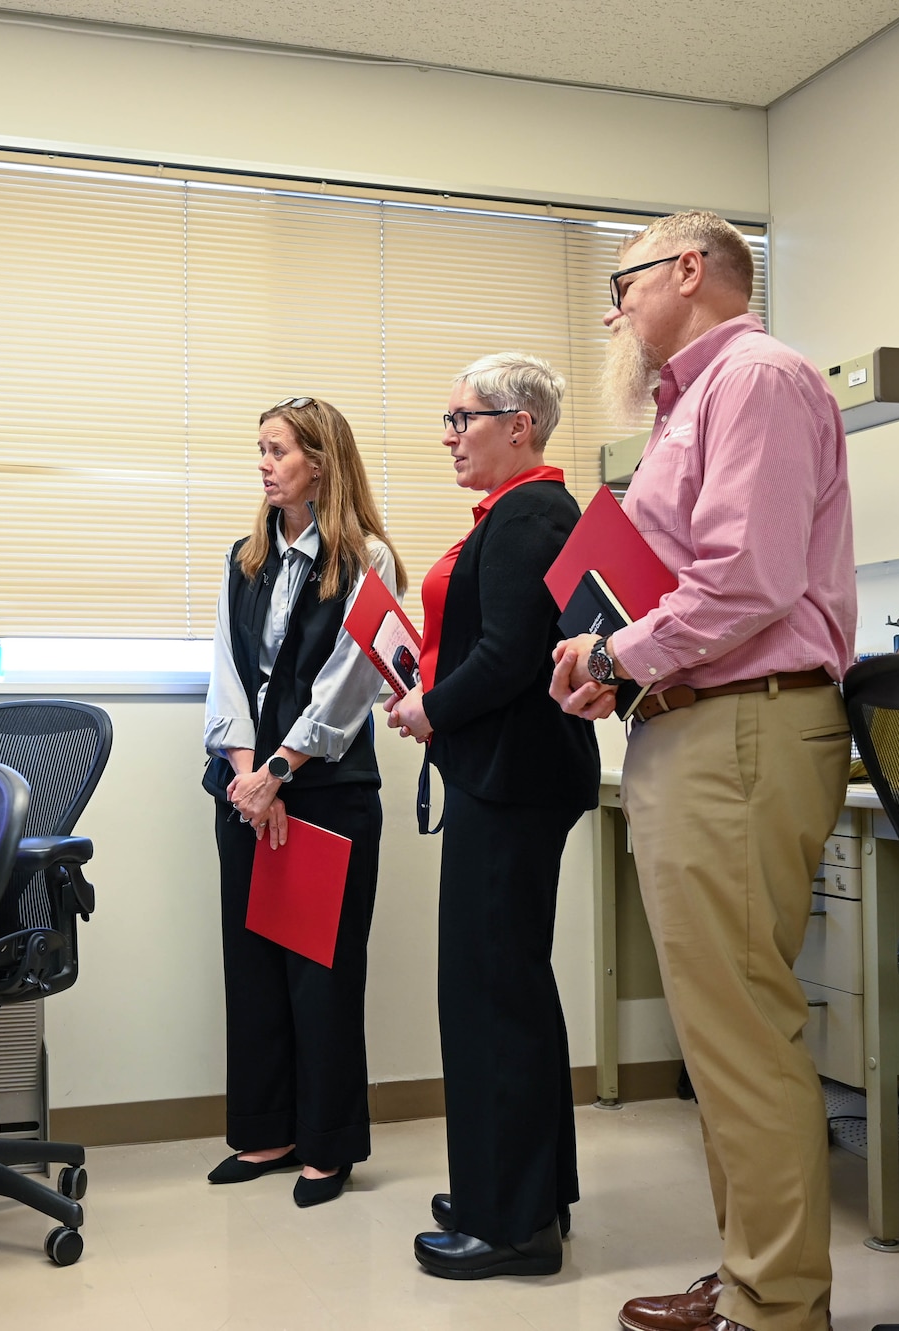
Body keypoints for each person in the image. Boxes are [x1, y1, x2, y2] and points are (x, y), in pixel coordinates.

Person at [549, 211, 856, 1331]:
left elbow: (747, 580)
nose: (612, 308)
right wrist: (612, 663)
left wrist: (611, 650)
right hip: (692, 723)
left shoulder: (759, 380)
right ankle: (748, 1274)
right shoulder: (689, 406)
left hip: (743, 726)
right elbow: (678, 586)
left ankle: (775, 1306)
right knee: (717, 1031)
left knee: (740, 1027)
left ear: (689, 270)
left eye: (622, 282)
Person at [383, 353, 600, 1278]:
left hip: (511, 778)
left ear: (522, 424)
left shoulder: (529, 514)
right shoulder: (527, 512)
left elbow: (513, 652)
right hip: (511, 775)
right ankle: (521, 1187)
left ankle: (511, 1225)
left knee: (488, 990)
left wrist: (432, 708)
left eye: (463, 417)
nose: (449, 435)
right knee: (510, 982)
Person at [203, 396, 403, 1208]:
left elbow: (350, 683)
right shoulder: (244, 557)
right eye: (260, 449)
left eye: (277, 450)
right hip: (248, 788)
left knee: (318, 974)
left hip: (323, 791)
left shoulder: (366, 558)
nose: (264, 463)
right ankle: (267, 1132)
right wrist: (249, 778)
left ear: (320, 461)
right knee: (251, 967)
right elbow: (227, 673)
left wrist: (282, 770)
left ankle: (326, 1146)